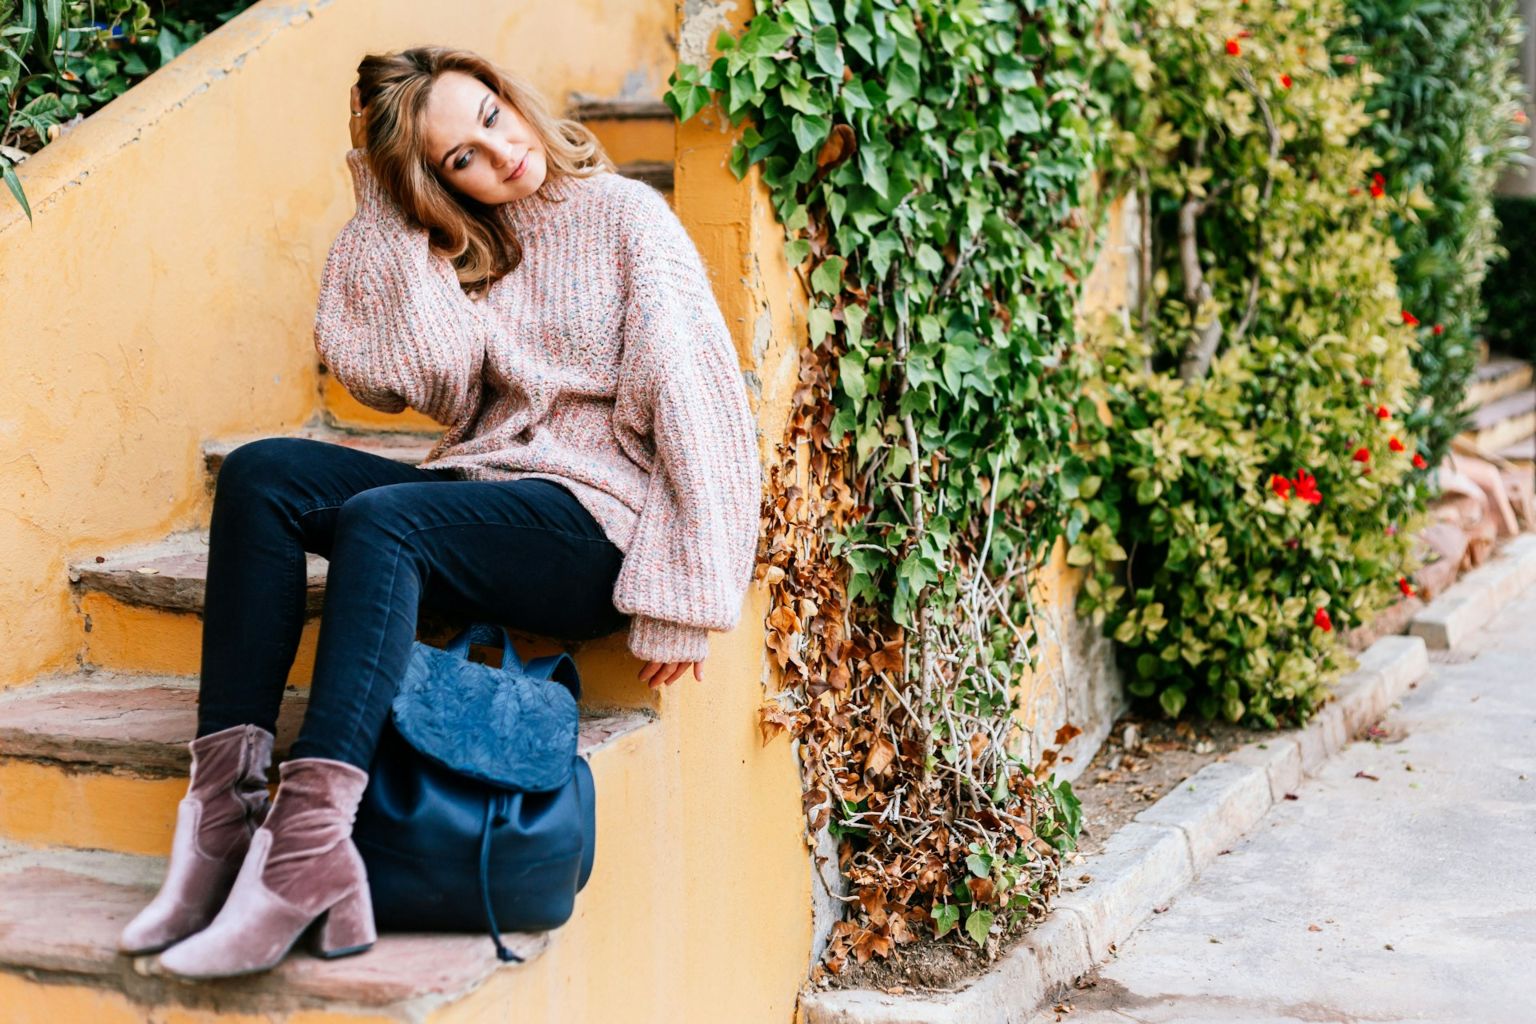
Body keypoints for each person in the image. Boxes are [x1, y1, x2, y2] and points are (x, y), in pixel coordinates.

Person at [115, 44, 761, 980]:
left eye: (492, 118)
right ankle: (222, 821)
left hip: (592, 525)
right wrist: (389, 202)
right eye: (460, 157)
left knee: (387, 518)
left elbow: (699, 405)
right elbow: (406, 379)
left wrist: (686, 591)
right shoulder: (477, 247)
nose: (498, 155)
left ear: (512, 98)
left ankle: (307, 850)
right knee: (262, 475)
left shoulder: (628, 219)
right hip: (487, 491)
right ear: (438, 181)